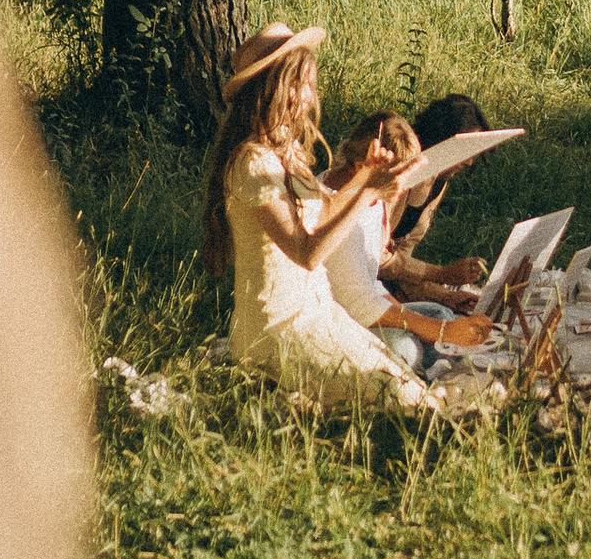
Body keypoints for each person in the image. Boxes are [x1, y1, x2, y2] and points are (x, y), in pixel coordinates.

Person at [199, 23, 432, 407]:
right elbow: (307, 253)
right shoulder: (253, 162)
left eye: (311, 84)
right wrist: (368, 191)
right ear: (269, 88)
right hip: (279, 328)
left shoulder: (285, 151)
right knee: (399, 397)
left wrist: (363, 179)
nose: (308, 97)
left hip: (318, 312)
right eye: (299, 84)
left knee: (410, 386)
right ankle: (271, 386)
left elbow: (323, 211)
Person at [318, 113, 497, 368]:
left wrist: (438, 320)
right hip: (336, 319)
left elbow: (372, 281)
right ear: (363, 166)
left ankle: (436, 365)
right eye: (397, 178)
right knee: (407, 348)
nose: (401, 188)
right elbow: (358, 305)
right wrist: (443, 332)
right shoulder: (337, 209)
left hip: (364, 303)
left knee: (439, 314)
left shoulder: (370, 192)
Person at [382, 91, 497, 311]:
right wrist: (441, 274)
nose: (470, 162)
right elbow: (376, 258)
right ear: (440, 140)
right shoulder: (396, 171)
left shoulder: (437, 180)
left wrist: (444, 295)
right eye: (466, 151)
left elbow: (400, 261)